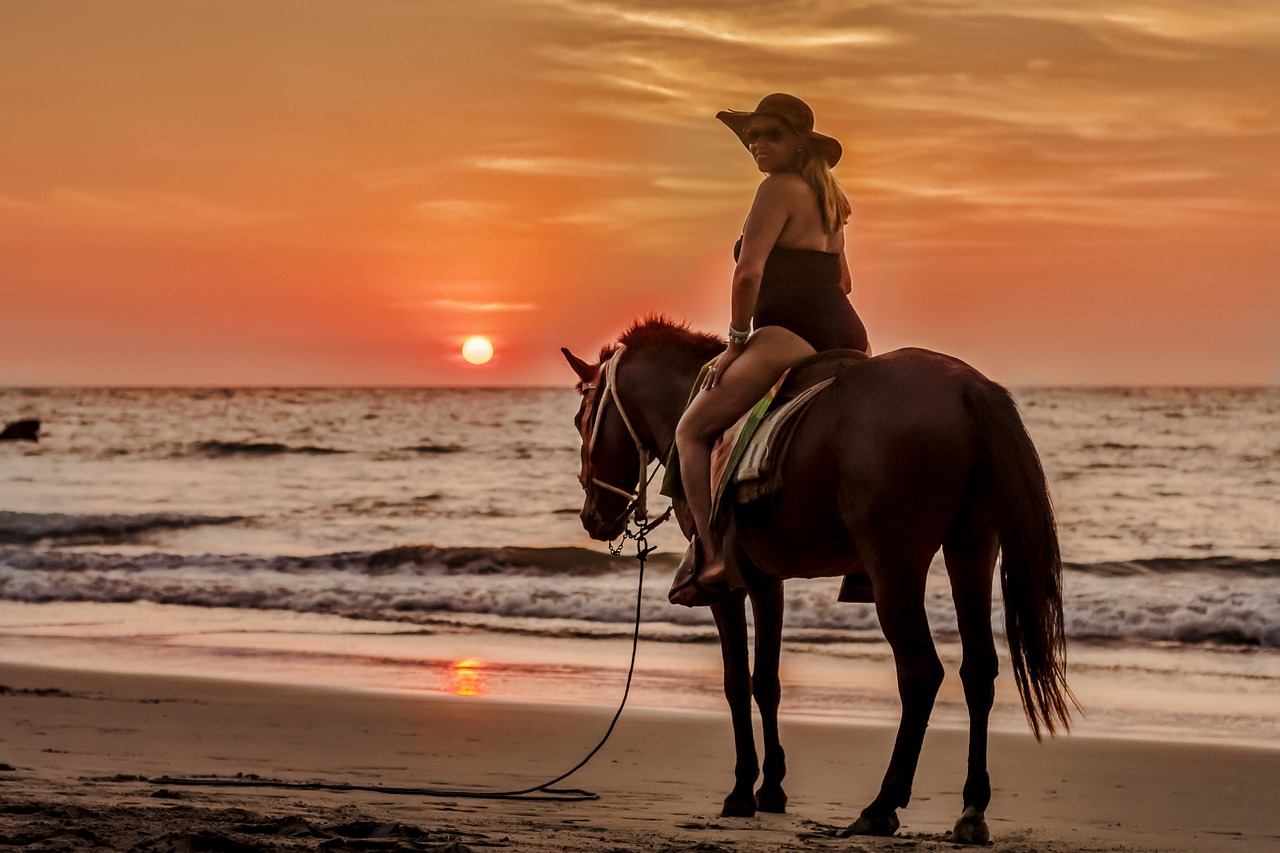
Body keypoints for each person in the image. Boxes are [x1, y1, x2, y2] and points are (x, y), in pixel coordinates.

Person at [669, 93, 870, 607]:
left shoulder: (776, 188)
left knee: (691, 430)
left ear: (799, 143)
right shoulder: (830, 200)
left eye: (771, 135)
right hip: (849, 333)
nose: (758, 144)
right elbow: (843, 283)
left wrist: (736, 343)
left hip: (791, 331)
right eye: (753, 135)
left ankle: (711, 557)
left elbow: (748, 273)